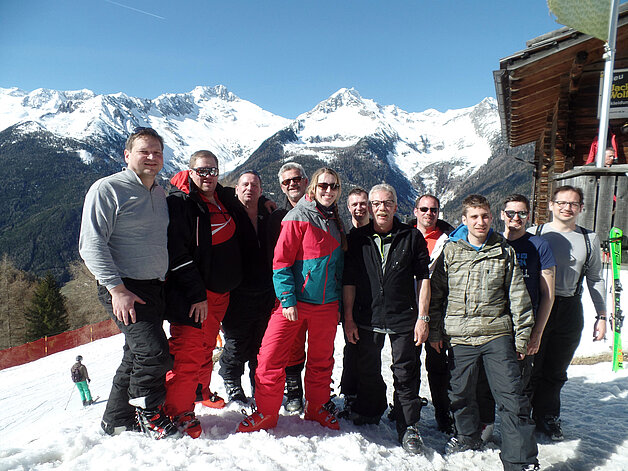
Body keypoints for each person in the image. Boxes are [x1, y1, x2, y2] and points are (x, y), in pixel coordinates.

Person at [79, 127, 178, 439]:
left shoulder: (159, 193)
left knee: (135, 355)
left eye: (157, 152)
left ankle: (116, 420)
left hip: (154, 286)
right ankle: (149, 414)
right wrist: (116, 289)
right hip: (124, 288)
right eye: (144, 151)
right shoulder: (107, 189)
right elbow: (91, 245)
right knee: (154, 355)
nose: (151, 157)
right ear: (127, 155)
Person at [429, 194, 539, 471]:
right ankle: (468, 436)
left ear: (491, 217)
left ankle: (520, 461)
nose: (481, 222)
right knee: (459, 393)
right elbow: (437, 295)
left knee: (512, 397)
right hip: (460, 334)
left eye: (485, 216)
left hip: (496, 333)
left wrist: (522, 337)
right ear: (464, 220)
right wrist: (435, 332)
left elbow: (518, 297)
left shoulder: (503, 251)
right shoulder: (451, 252)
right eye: (474, 217)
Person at [238, 167, 346, 432]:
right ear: (313, 188)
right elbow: (281, 262)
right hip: (295, 302)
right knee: (270, 356)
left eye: (333, 186)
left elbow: (338, 268)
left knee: (322, 360)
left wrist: (338, 305)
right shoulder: (297, 216)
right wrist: (287, 299)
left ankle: (316, 406)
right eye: (323, 186)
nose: (328, 191)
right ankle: (266, 411)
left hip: (327, 304)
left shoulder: (335, 220)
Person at [343, 184, 431, 454]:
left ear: (396, 206)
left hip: (403, 316)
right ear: (370, 208)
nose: (382, 208)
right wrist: (348, 317)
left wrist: (423, 317)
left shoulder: (411, 236)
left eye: (388, 203)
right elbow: (349, 281)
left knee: (405, 372)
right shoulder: (357, 238)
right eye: (377, 203)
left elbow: (423, 279)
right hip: (367, 316)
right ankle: (371, 410)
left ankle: (408, 425)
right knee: (367, 369)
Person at [163, 150, 243, 437]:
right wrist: (196, 294)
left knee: (207, 347)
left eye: (213, 170)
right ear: (190, 172)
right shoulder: (180, 203)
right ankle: (178, 411)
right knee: (188, 352)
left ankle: (200, 391)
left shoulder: (221, 197)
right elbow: (177, 253)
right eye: (202, 171)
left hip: (220, 293)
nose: (208, 176)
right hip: (194, 296)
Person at [528, 185, 606, 441]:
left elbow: (595, 279)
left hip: (569, 307)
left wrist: (602, 315)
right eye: (561, 202)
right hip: (536, 305)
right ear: (551, 205)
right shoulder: (535, 233)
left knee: (557, 368)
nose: (567, 208)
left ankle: (547, 416)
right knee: (530, 366)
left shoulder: (588, 239)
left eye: (573, 204)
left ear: (581, 208)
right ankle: (523, 416)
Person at [476, 194, 556, 441]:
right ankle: (486, 424)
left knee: (518, 383)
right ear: (502, 215)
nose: (516, 218)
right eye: (511, 213)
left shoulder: (538, 245)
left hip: (523, 324)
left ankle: (517, 432)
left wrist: (537, 332)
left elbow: (548, 294)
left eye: (522, 213)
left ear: (528, 216)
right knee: (485, 377)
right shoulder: (492, 242)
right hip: (492, 322)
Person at [219, 170, 275, 404]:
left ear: (261, 190)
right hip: (237, 292)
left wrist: (264, 202)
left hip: (265, 291)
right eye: (244, 184)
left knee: (261, 343)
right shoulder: (229, 210)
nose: (249, 188)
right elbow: (214, 188)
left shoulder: (268, 214)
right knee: (236, 342)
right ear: (236, 189)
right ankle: (231, 381)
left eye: (254, 185)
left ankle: (257, 383)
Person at [410, 194, 455, 434]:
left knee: (438, 366)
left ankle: (443, 412)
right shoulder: (405, 236)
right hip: (409, 310)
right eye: (424, 209)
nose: (429, 213)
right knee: (408, 364)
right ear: (415, 211)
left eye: (434, 209)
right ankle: (407, 408)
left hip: (438, 310)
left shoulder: (450, 240)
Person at [267, 162, 310, 413]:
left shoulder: (322, 212)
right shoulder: (276, 218)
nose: (292, 184)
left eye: (296, 179)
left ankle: (318, 392)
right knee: (292, 343)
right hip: (288, 290)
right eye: (287, 182)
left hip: (317, 291)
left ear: (306, 181)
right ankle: (293, 389)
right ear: (282, 187)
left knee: (321, 346)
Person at [339, 187, 370, 411]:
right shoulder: (346, 239)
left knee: (369, 352)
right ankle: (350, 392)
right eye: (355, 204)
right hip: (350, 301)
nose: (359, 208)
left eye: (363, 203)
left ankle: (368, 395)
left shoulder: (376, 235)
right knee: (351, 347)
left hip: (374, 302)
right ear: (348, 207)